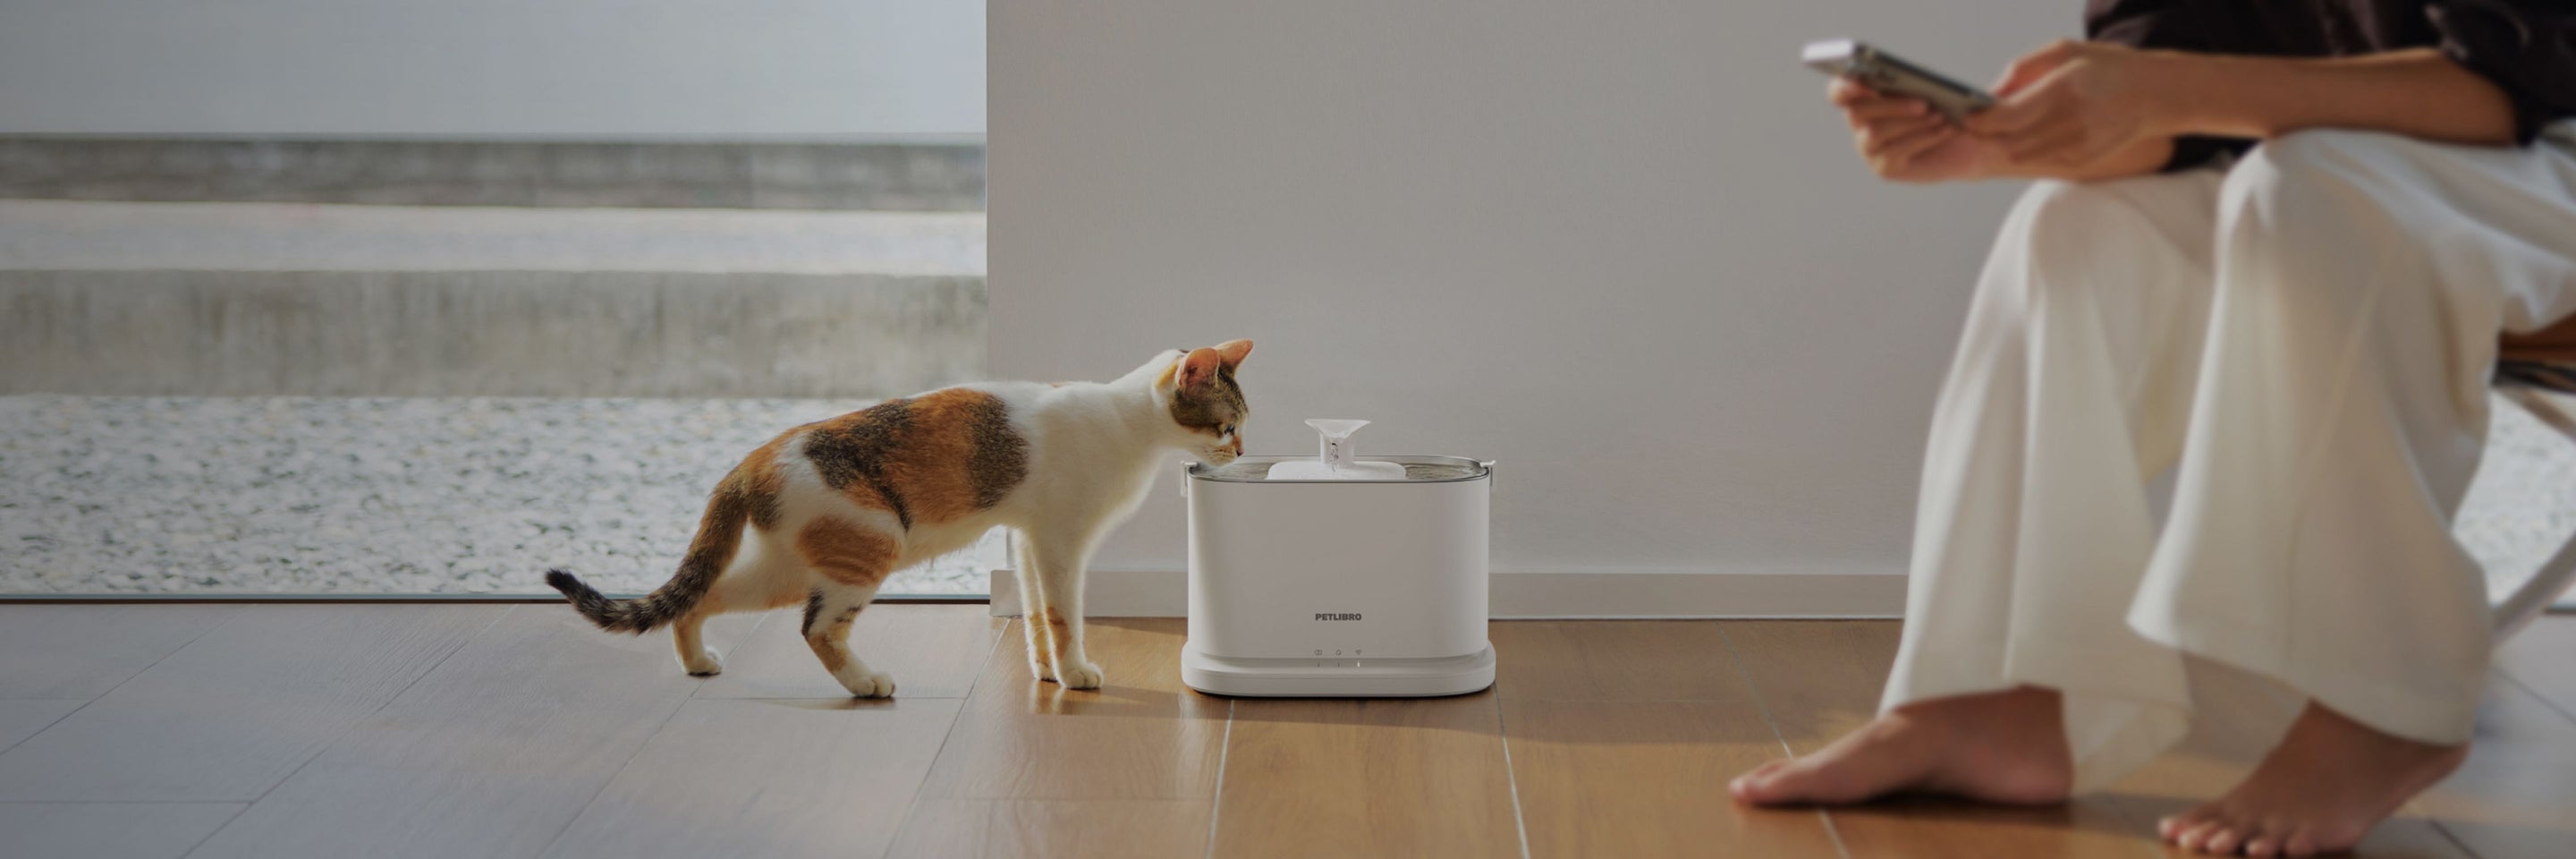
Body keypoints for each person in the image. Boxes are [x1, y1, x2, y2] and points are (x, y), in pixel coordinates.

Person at [1729, 2, 2576, 856]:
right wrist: (2005, 144)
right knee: (2079, 223)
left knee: (2316, 188)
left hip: (2541, 147)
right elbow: (2175, 122)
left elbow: (2512, 79)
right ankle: (1995, 696)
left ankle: (2383, 702)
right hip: (2330, 165)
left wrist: (2173, 88)